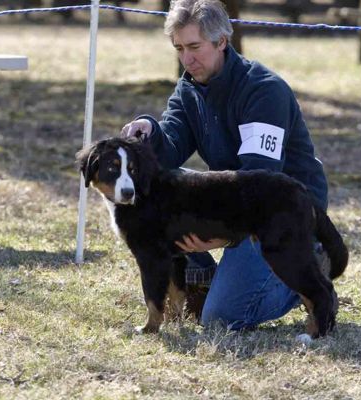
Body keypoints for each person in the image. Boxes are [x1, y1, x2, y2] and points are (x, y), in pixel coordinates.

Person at [121, 0, 329, 330]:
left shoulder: (264, 90)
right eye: (178, 48)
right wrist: (149, 130)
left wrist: (221, 234)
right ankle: (201, 280)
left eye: (194, 47)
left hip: (280, 212)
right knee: (164, 191)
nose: (187, 59)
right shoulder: (188, 88)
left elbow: (262, 177)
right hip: (236, 203)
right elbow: (171, 147)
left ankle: (308, 270)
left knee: (221, 318)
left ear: (221, 42)